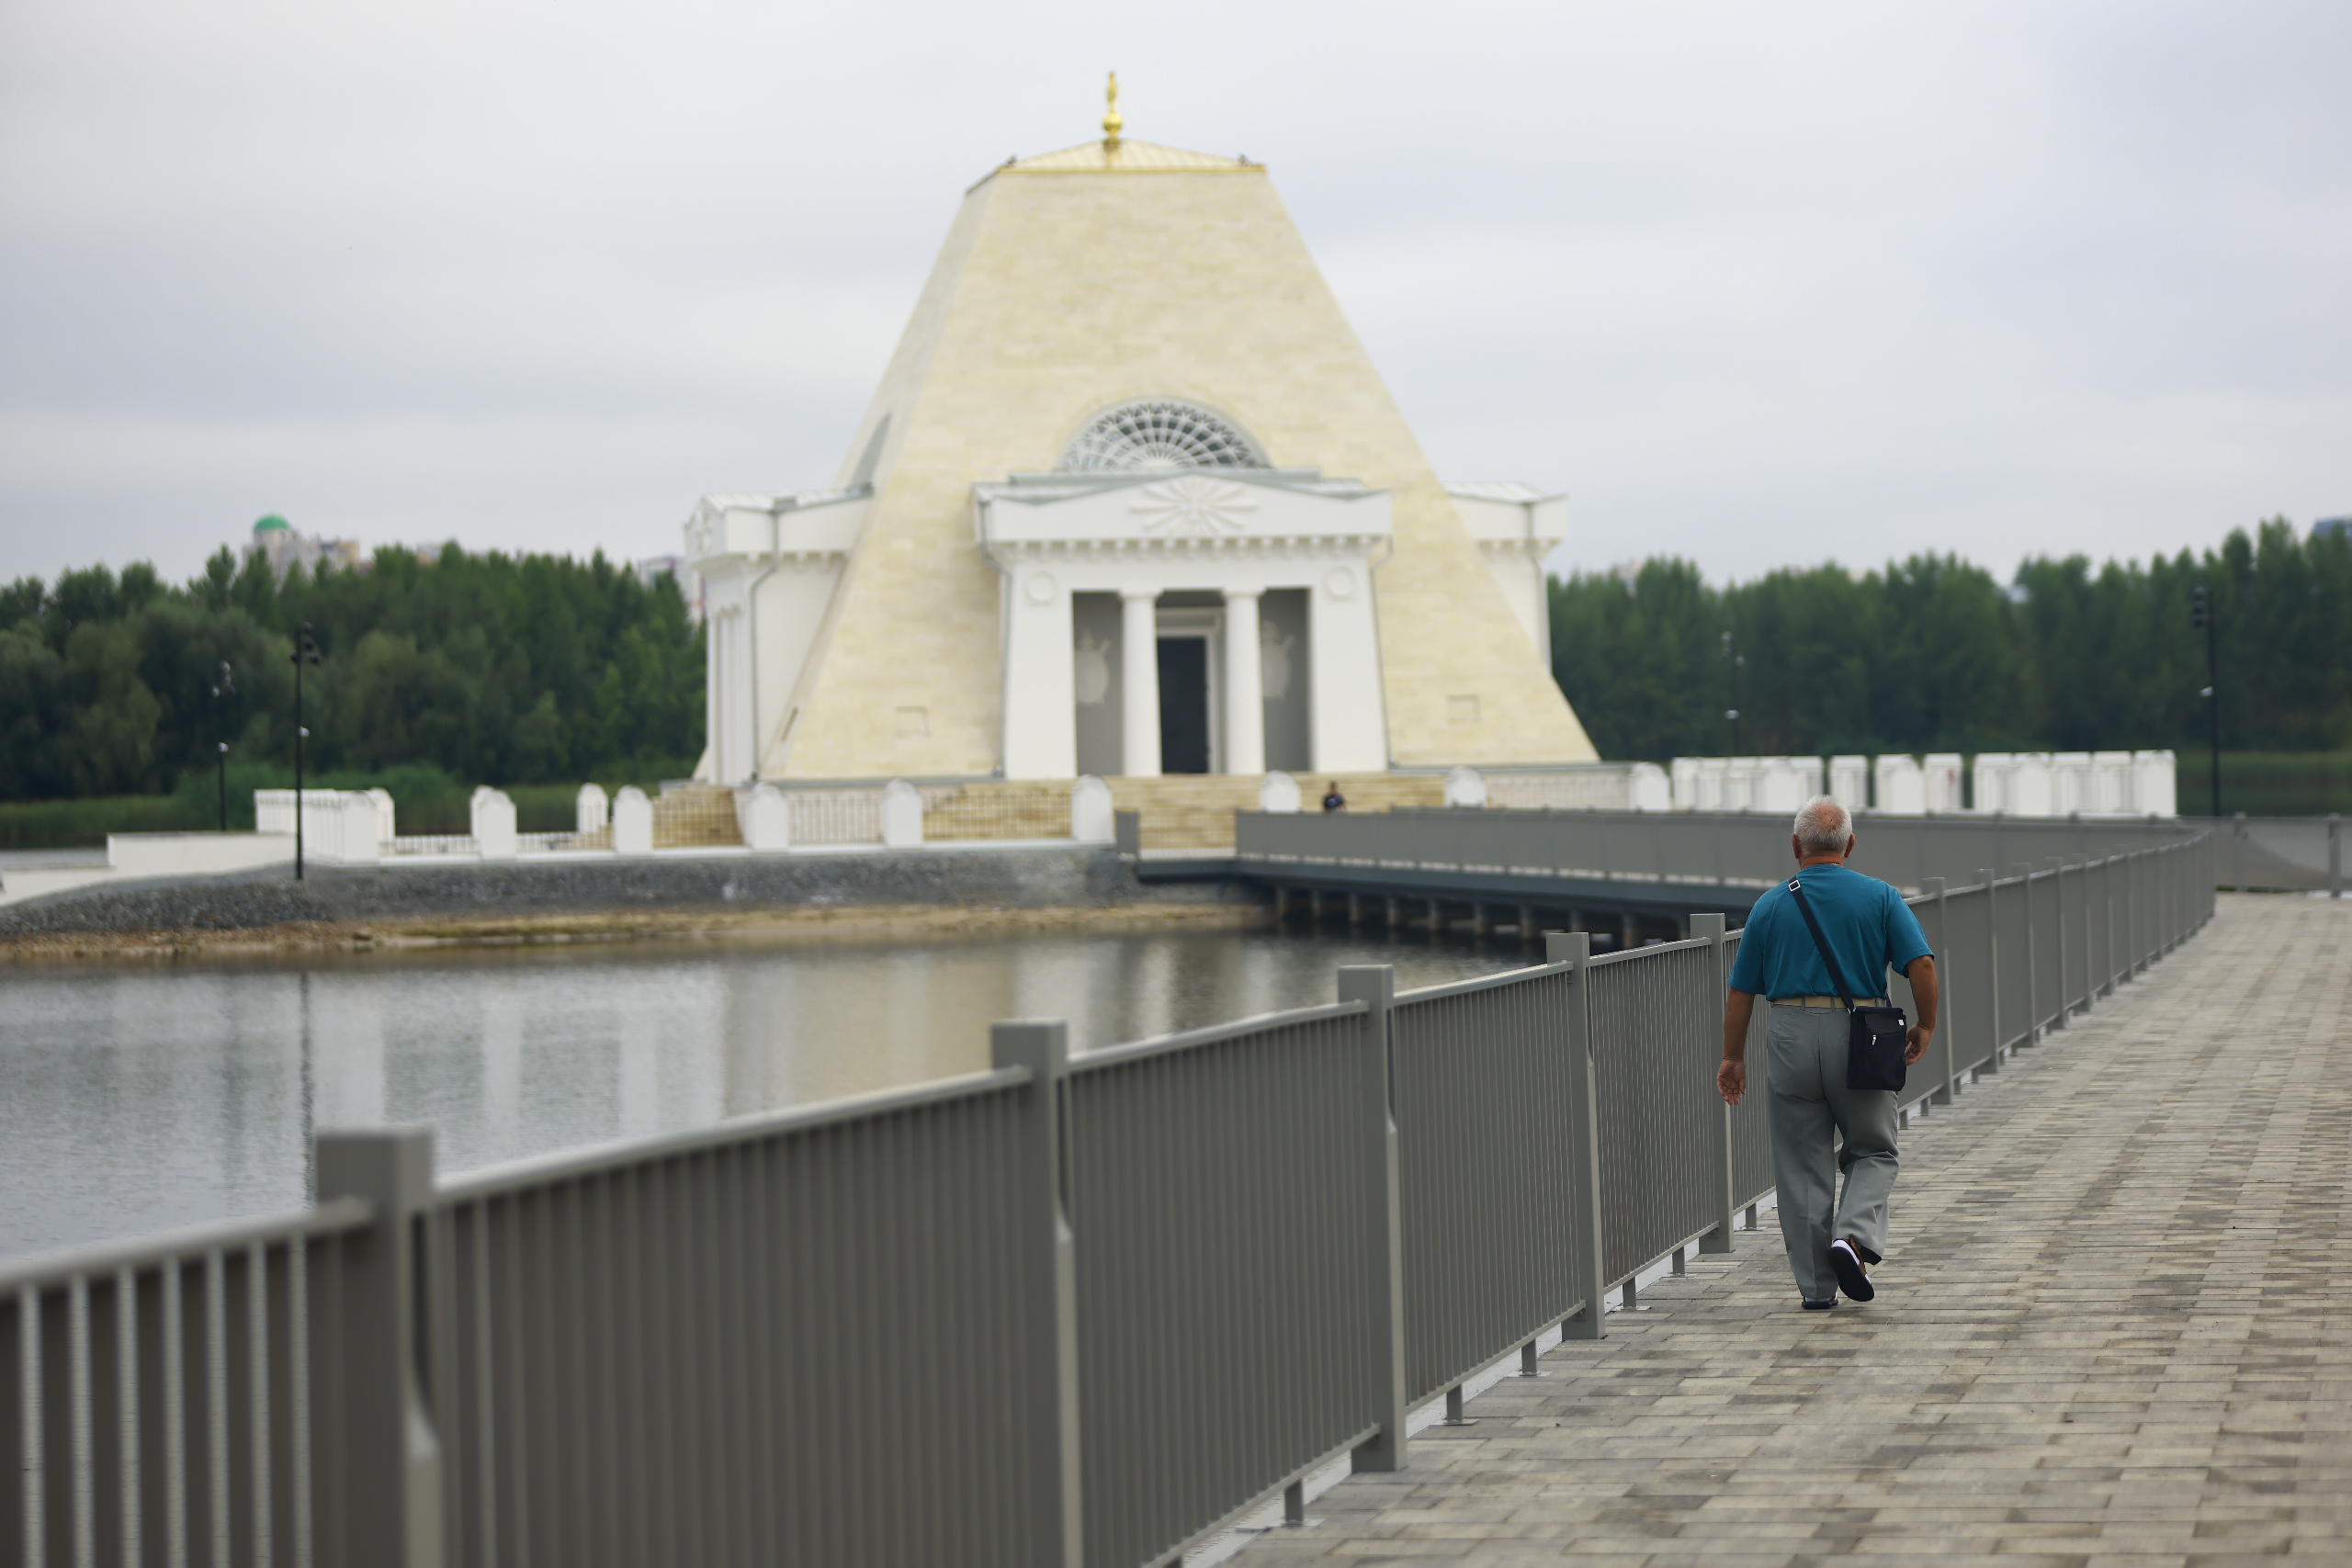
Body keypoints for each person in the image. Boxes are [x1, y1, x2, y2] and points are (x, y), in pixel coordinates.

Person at [1716, 795, 1938, 1310]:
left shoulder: (1770, 905)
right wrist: (1925, 1024)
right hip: (1862, 1036)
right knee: (1874, 1149)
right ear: (1850, 845)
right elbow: (1921, 965)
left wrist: (1733, 1057)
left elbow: (1741, 991)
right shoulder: (1880, 897)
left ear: (1796, 846)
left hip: (1790, 1035)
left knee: (1801, 1165)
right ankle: (1852, 1237)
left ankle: (1817, 1291)